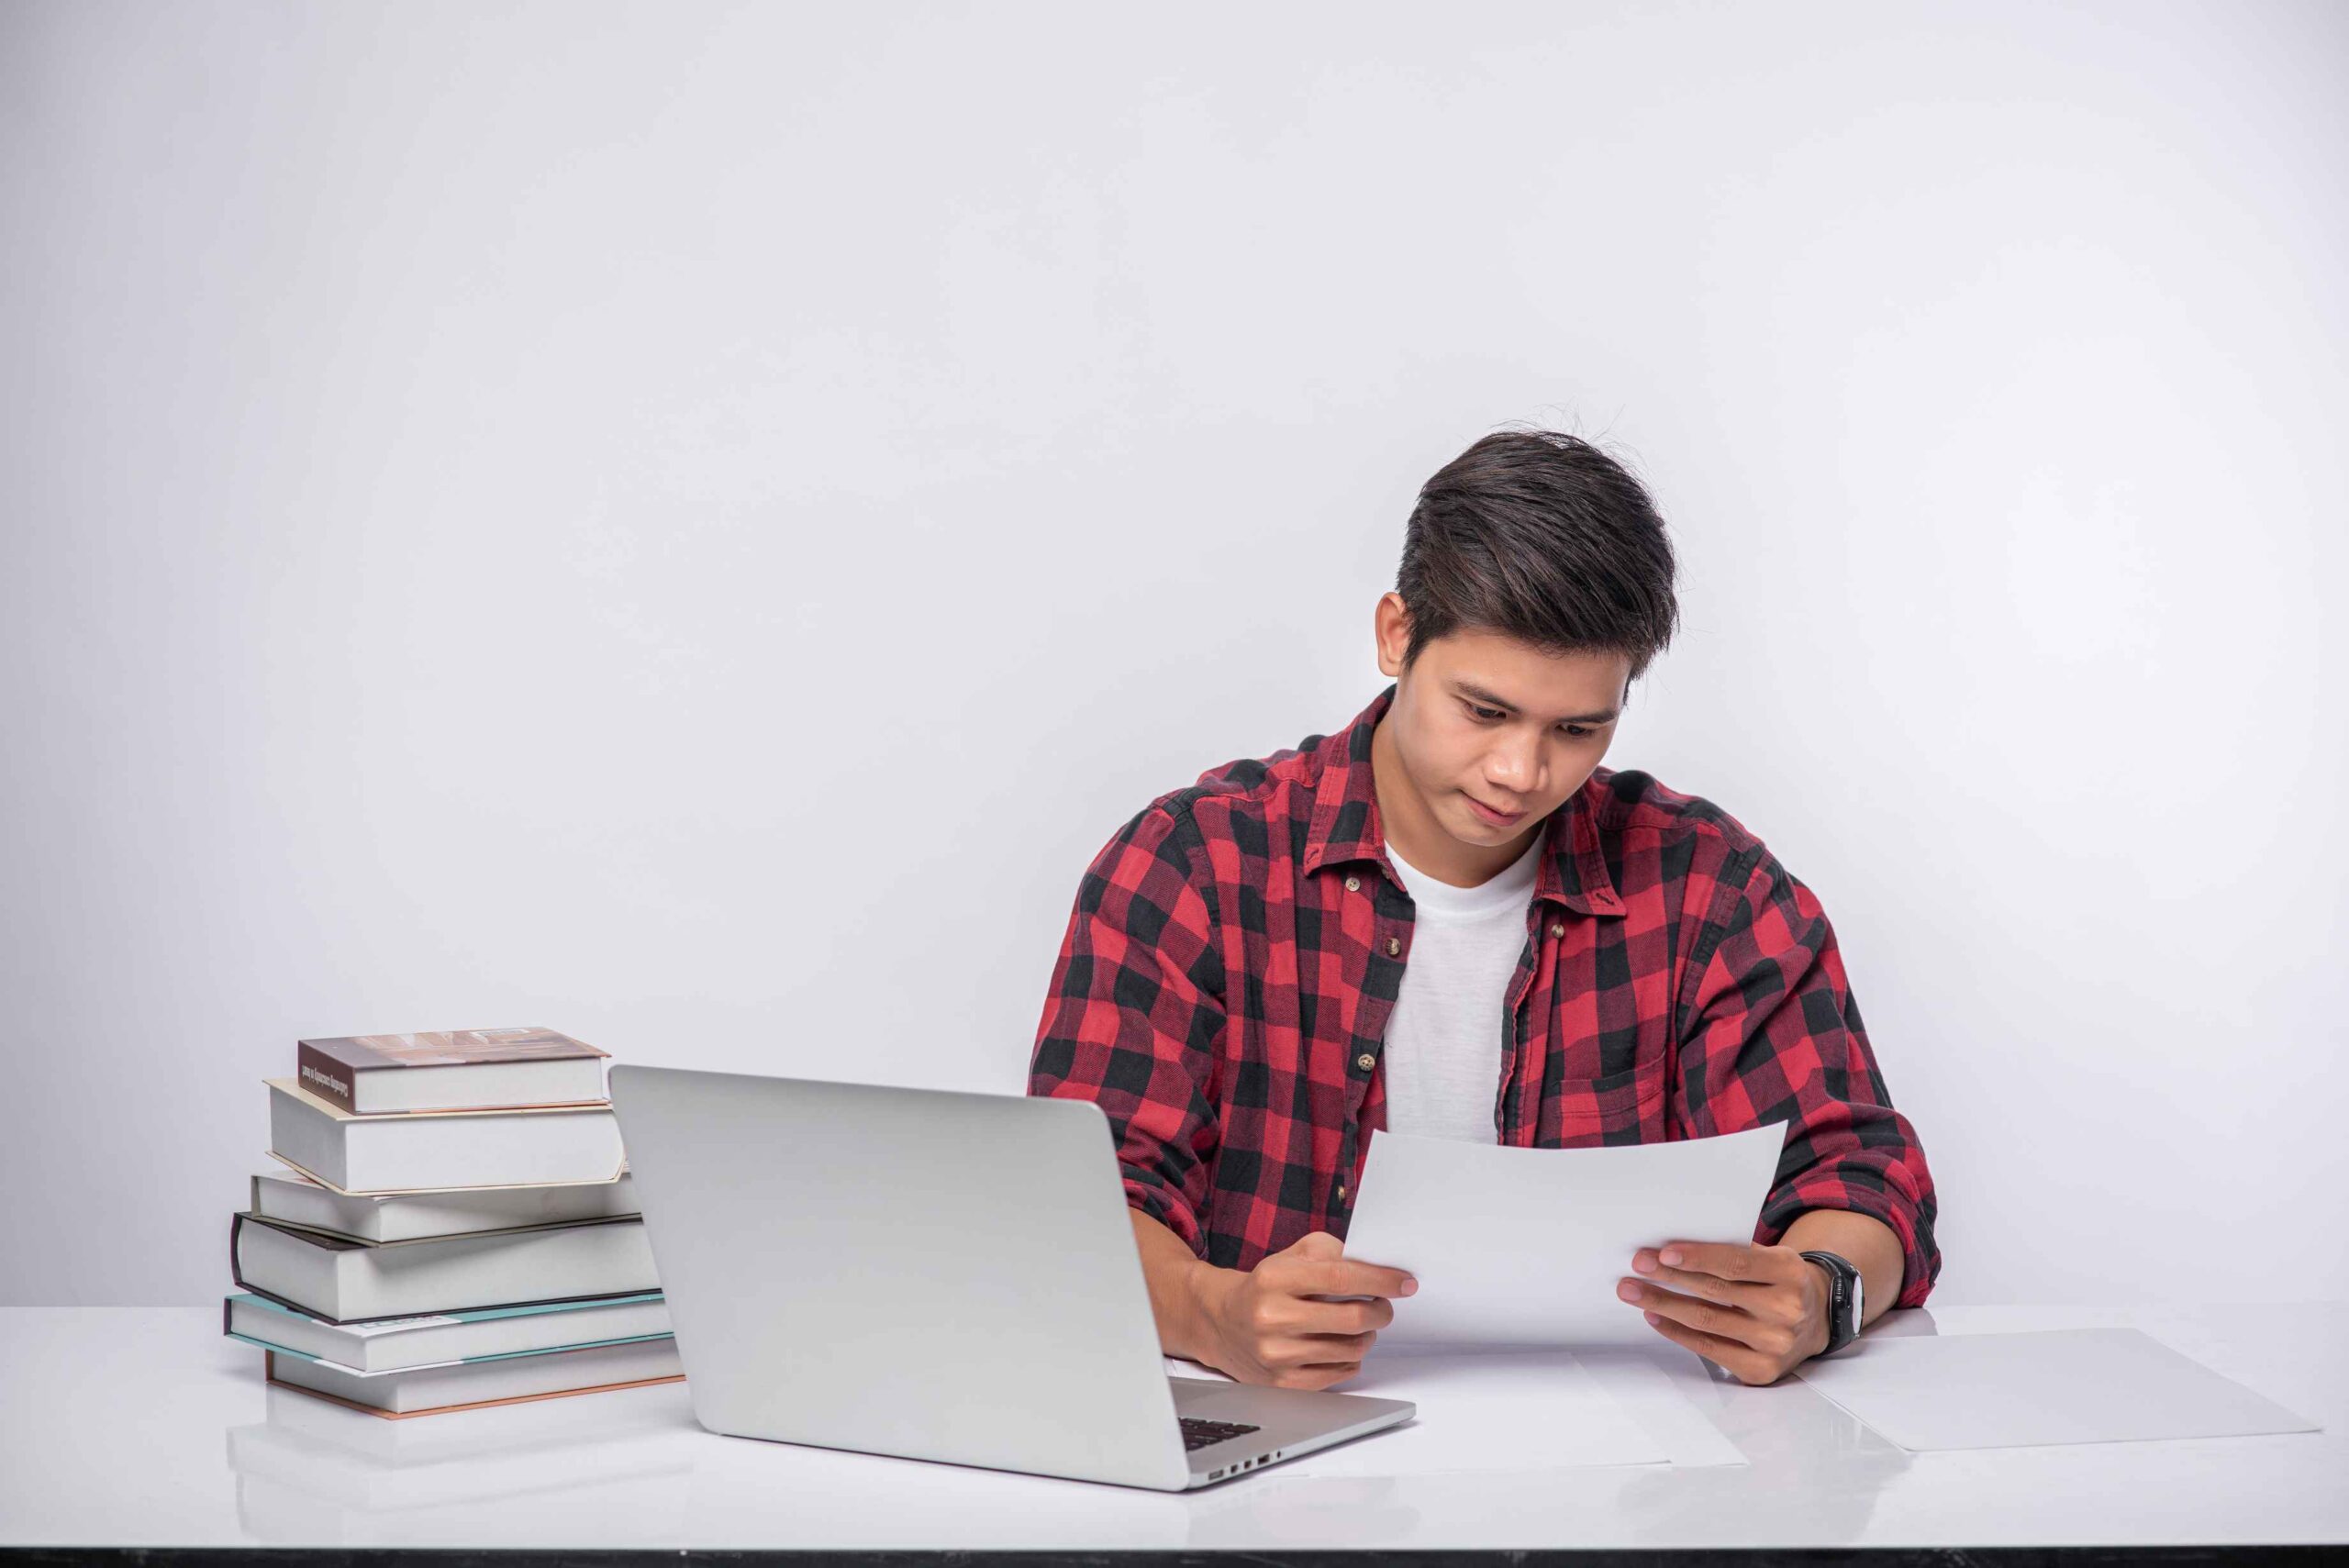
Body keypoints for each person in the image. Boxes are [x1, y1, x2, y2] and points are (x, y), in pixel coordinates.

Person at [1028, 428, 1940, 1390]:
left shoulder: (1711, 889)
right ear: (1395, 635)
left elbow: (1860, 1176)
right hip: (1284, 1456)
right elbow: (1080, 1201)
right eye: (1484, 710)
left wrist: (1817, 1292)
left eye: (1577, 727)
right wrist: (1213, 1316)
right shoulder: (1191, 866)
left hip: (1634, 1468)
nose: (1521, 771)